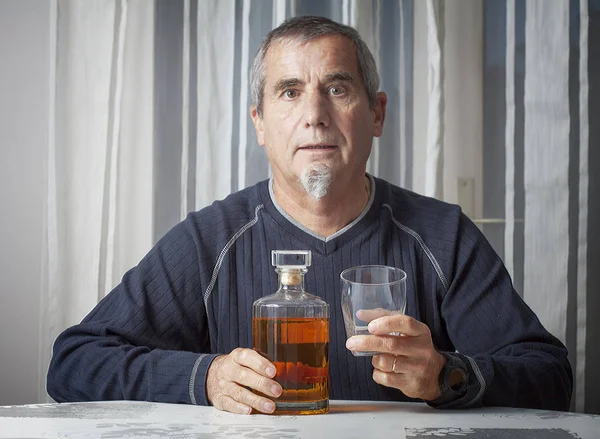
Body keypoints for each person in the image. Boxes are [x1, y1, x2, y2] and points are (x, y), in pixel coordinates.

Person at [47, 16, 572, 414]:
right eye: (290, 92)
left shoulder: (444, 236)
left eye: (337, 89)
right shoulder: (207, 242)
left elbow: (551, 376)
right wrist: (205, 379)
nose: (315, 115)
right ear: (259, 122)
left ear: (377, 113)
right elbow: (73, 362)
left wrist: (445, 375)